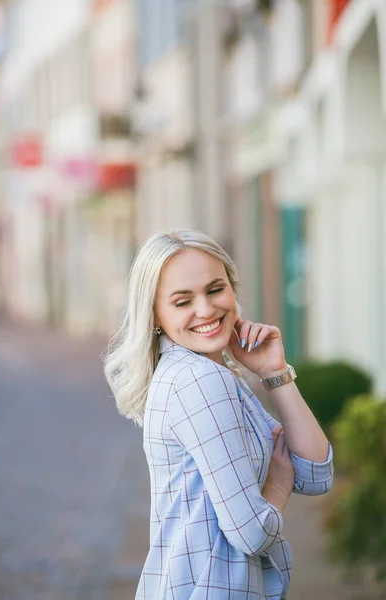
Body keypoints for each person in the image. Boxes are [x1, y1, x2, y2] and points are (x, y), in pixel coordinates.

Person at [104, 228, 334, 600]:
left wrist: (275, 373)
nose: (206, 310)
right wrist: (275, 488)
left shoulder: (209, 373)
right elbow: (252, 532)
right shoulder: (199, 381)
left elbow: (314, 472)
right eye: (182, 301)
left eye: (215, 290)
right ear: (155, 314)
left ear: (232, 288)